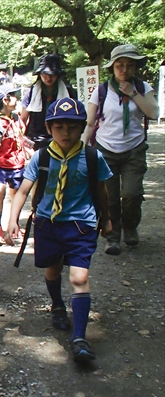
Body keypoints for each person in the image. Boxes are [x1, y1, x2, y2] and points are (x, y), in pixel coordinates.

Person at [5, 98, 112, 363]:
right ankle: (58, 305)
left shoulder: (91, 156)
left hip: (81, 226)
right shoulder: (42, 157)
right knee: (53, 269)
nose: (66, 133)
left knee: (78, 278)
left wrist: (107, 219)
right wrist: (12, 218)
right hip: (48, 225)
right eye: (59, 127)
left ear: (81, 129)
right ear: (50, 128)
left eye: (73, 127)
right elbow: (24, 189)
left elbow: (102, 190)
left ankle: (79, 338)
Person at [81, 44, 159, 256]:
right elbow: (89, 123)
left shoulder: (143, 88)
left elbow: (153, 113)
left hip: (134, 148)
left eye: (129, 65)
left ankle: (130, 226)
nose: (124, 70)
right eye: (120, 65)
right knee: (110, 197)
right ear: (112, 67)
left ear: (135, 68)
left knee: (132, 193)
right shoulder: (101, 90)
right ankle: (112, 236)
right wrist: (81, 149)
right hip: (105, 149)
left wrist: (133, 93)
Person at [0, 84, 29, 246]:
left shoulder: (16, 118)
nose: (16, 98)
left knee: (17, 193)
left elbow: (21, 137)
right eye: (13, 95)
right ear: (5, 100)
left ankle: (14, 225)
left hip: (17, 163)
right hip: (0, 164)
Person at [20, 54, 76, 150]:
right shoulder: (32, 91)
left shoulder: (68, 91)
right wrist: (22, 137)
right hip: (36, 138)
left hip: (61, 136)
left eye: (52, 75)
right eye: (45, 74)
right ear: (40, 74)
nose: (48, 78)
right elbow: (23, 118)